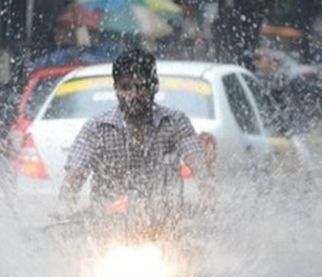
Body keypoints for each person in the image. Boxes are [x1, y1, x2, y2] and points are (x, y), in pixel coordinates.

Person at [56, 47, 214, 220]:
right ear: (116, 88)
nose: (133, 95)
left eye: (141, 87)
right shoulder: (97, 129)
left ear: (154, 85)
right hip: (108, 224)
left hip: (167, 223)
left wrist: (208, 201)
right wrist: (65, 211)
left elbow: (198, 165)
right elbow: (75, 176)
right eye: (126, 87)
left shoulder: (175, 122)